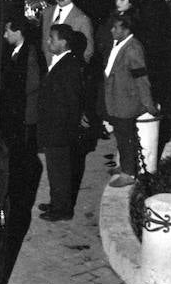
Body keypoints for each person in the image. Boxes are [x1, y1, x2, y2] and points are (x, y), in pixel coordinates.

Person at [99, 15, 157, 186]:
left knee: (126, 136)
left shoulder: (133, 49)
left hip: (126, 101)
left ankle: (128, 173)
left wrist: (148, 103)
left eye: (116, 28)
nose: (112, 30)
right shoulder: (119, 44)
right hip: (117, 98)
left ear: (126, 30)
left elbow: (141, 78)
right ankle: (125, 165)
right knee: (120, 134)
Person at [36, 24, 86, 221]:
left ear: (64, 43)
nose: (48, 41)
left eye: (52, 38)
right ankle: (56, 202)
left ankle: (62, 210)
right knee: (55, 170)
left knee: (60, 171)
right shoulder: (62, 61)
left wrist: (64, 128)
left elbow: (72, 101)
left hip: (60, 130)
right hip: (54, 127)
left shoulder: (70, 66)